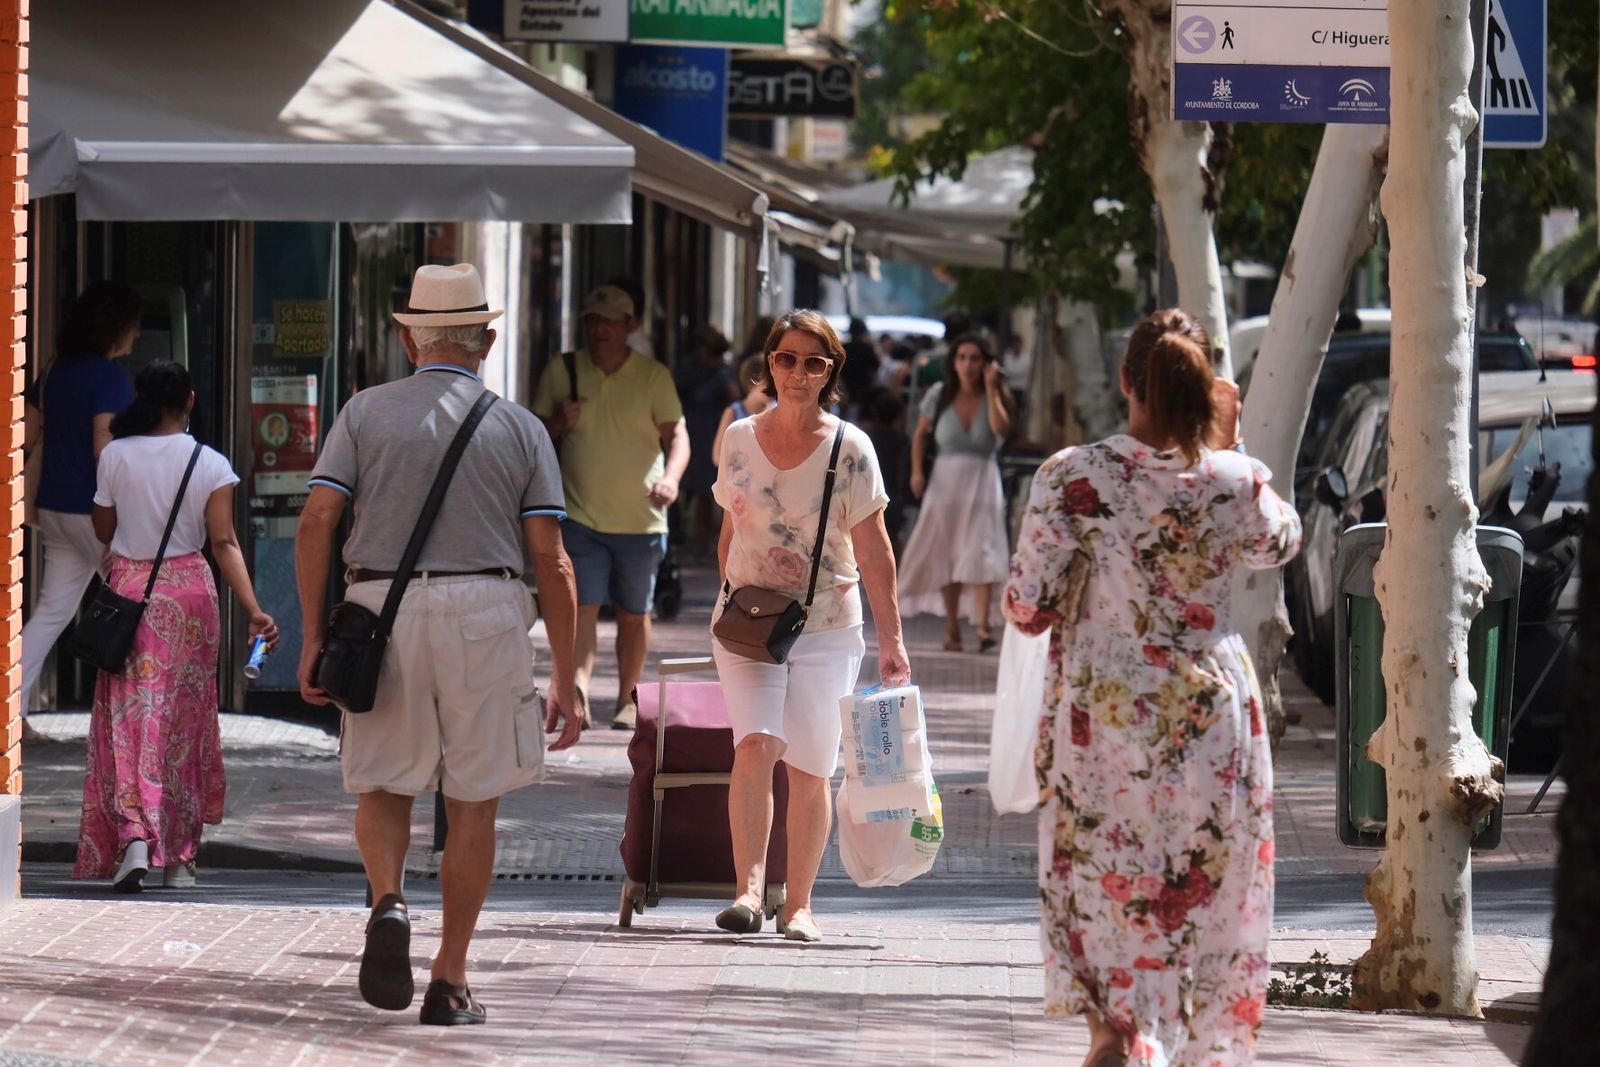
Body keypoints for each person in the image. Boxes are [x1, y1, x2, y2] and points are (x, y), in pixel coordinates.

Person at [1003, 308, 1301, 1067]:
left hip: (1106, 718)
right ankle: (1183, 1043)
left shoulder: (1074, 477)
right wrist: (1228, 444)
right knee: (1204, 883)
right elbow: (1281, 541)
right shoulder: (1235, 480)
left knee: (1112, 887)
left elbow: (1025, 609)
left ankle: (1118, 1033)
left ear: (1127, 382)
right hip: (1213, 714)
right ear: (1209, 388)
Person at [296, 263, 581, 1027]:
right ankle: (450, 978)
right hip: (487, 607)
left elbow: (318, 518)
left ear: (407, 335)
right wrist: (569, 672)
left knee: (384, 784)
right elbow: (550, 558)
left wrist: (314, 634)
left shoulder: (362, 413)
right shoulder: (520, 426)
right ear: (487, 340)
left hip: (378, 606)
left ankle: (388, 898)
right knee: (473, 802)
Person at [710, 309, 910, 944]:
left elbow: (875, 551)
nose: (798, 372)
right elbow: (728, 529)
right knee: (754, 744)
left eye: (814, 362)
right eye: (786, 358)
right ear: (768, 364)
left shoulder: (851, 448)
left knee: (812, 765)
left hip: (826, 624)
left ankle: (798, 905)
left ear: (831, 373)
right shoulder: (738, 437)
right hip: (749, 624)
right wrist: (736, 592)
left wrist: (892, 639)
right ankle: (747, 889)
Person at [74, 359, 278, 892]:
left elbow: (104, 526)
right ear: (189, 400)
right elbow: (224, 542)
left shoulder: (115, 455)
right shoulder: (209, 462)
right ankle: (180, 859)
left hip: (129, 594)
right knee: (183, 726)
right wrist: (254, 608)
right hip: (190, 597)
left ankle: (135, 837)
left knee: (129, 719)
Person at [533, 284, 688, 731]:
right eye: (593, 320)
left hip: (641, 519)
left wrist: (671, 478)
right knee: (582, 605)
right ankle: (578, 686)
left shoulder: (652, 376)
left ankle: (628, 698)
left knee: (634, 613)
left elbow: (677, 435)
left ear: (630, 325)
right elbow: (533, 430)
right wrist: (562, 421)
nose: (600, 328)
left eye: (610, 320)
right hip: (580, 514)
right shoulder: (563, 370)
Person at [19, 282, 140, 744]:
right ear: (117, 329)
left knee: (51, 611)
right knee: (135, 605)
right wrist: (121, 510)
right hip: (94, 511)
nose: (135, 334)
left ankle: (11, 714)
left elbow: (26, 433)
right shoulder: (109, 378)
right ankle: (134, 719)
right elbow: (104, 445)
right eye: (132, 324)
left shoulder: (54, 371)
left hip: (52, 507)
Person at [899, 333, 1013, 652]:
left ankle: (983, 626)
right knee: (948, 551)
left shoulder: (996, 394)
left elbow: (1000, 429)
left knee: (981, 548)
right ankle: (952, 627)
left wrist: (991, 387)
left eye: (975, 358)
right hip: (946, 481)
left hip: (982, 480)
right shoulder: (940, 394)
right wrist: (917, 471)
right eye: (962, 357)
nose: (968, 365)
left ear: (985, 363)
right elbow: (920, 435)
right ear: (953, 362)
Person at [676, 324, 737, 548]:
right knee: (691, 486)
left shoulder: (723, 372)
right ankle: (687, 533)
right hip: (693, 430)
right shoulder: (689, 368)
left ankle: (703, 539)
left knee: (706, 488)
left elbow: (734, 397)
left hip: (710, 432)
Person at [712, 353, 773, 468]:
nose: (773, 390)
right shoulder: (733, 412)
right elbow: (718, 456)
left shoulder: (775, 410)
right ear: (752, 383)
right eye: (768, 384)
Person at [839, 316, 879, 417]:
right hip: (864, 390)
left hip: (846, 388)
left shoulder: (844, 348)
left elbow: (838, 371)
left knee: (844, 418)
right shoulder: (868, 348)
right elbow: (875, 367)